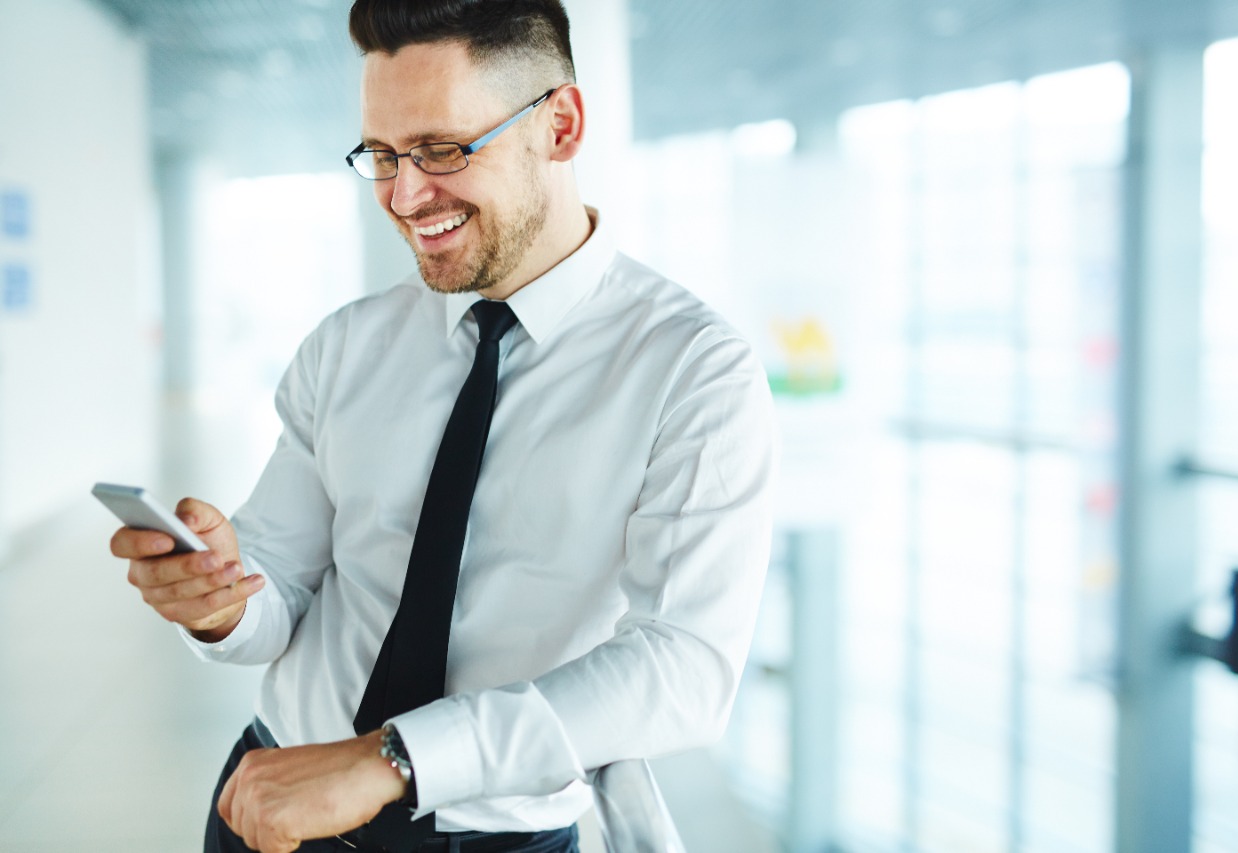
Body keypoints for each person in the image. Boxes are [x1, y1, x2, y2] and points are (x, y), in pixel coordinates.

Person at [109, 1, 775, 851]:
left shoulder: (693, 370)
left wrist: (392, 759)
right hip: (272, 801)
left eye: (442, 149)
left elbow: (683, 668)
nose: (404, 194)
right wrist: (220, 602)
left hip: (488, 836)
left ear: (561, 126)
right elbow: (279, 584)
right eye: (382, 155)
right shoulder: (349, 344)